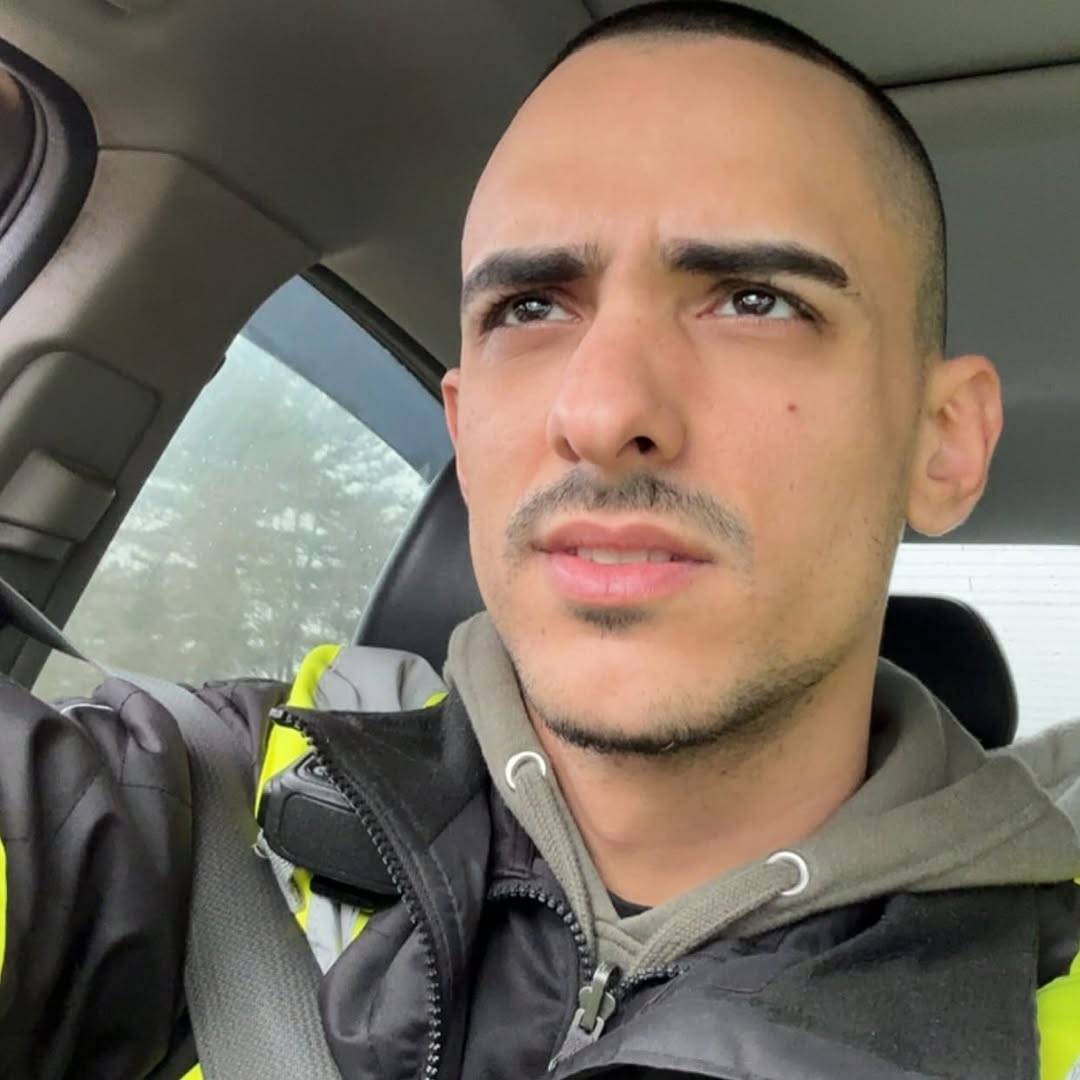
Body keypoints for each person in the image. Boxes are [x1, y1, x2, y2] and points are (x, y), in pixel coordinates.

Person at [1, 2, 1078, 1078]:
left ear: (944, 443)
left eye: (755, 300)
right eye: (528, 308)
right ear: (465, 432)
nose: (602, 413)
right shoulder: (206, 810)